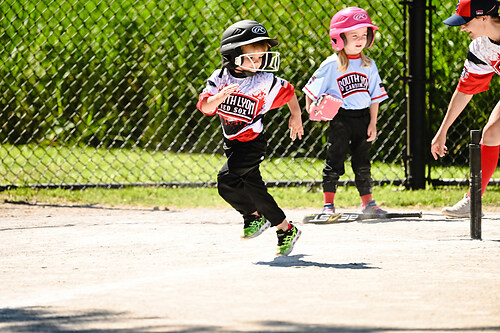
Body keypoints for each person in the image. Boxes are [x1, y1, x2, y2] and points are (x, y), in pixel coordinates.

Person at [196, 20, 304, 255]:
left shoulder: (264, 81)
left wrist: (296, 115)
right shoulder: (220, 77)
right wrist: (218, 98)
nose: (258, 62)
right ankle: (286, 229)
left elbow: (289, 91)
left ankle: (252, 216)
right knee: (255, 190)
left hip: (252, 144)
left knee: (226, 181)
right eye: (251, 57)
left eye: (260, 58)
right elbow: (205, 107)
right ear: (233, 55)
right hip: (231, 143)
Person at [303, 7, 389, 216]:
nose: (360, 39)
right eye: (353, 35)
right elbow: (310, 89)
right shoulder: (332, 64)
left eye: (364, 35)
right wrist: (310, 108)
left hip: (363, 118)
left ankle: (368, 203)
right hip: (341, 119)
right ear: (339, 38)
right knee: (335, 160)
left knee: (363, 163)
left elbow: (375, 98)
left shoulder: (369, 64)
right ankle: (328, 205)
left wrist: (373, 123)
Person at [431, 0, 500, 218]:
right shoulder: (481, 47)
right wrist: (442, 131)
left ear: (483, 18)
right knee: (491, 134)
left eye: (465, 22)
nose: (462, 27)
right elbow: (465, 90)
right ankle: (473, 200)